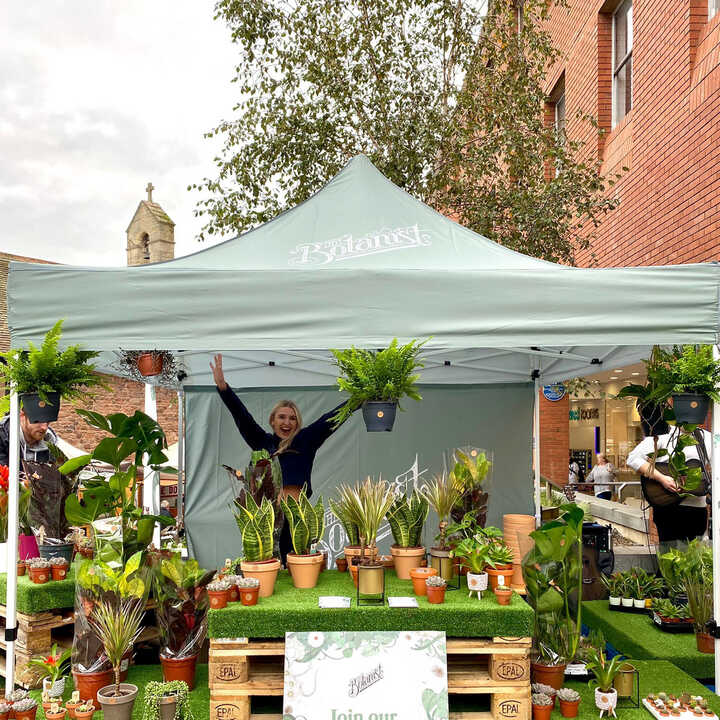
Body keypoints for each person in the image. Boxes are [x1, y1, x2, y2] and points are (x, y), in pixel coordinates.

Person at [210, 353, 352, 564]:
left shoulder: (305, 440)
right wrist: (223, 387)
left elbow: (330, 420)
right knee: (269, 566)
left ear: (298, 423)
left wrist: (358, 400)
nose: (287, 422)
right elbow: (243, 417)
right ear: (273, 421)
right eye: (282, 417)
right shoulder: (262, 442)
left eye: (292, 418)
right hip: (268, 521)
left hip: (296, 520)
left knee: (296, 568)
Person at [626, 426, 710, 544]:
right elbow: (633, 459)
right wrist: (662, 478)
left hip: (696, 508)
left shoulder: (707, 438)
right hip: (666, 505)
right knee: (669, 555)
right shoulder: (662, 433)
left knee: (694, 557)